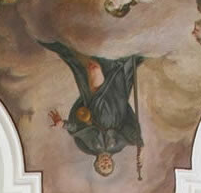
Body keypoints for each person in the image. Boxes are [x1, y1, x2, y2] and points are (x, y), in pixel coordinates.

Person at [42, 41, 145, 178]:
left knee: (93, 69)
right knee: (110, 68)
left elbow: (78, 128)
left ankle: (89, 44)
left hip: (95, 105)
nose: (106, 163)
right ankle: (118, 45)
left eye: (103, 166)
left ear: (96, 163)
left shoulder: (92, 146)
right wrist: (140, 146)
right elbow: (130, 133)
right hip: (116, 105)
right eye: (109, 166)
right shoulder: (117, 146)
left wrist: (63, 125)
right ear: (112, 162)